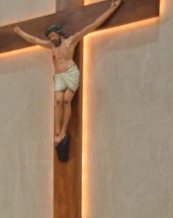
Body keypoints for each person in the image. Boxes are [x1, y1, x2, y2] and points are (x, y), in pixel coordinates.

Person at [13, 0, 122, 156]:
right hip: (58, 76)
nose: (52, 39)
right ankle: (57, 132)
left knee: (65, 100)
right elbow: (35, 40)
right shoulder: (51, 46)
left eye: (53, 35)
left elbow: (93, 24)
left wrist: (112, 8)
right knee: (57, 101)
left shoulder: (72, 40)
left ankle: (63, 131)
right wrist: (19, 32)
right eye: (50, 37)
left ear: (59, 33)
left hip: (70, 73)